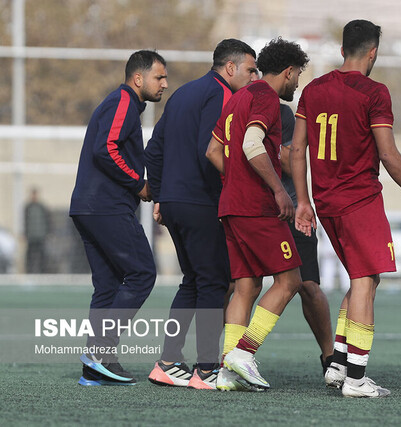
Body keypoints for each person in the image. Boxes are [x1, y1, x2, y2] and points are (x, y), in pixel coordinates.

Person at [291, 20, 401, 398]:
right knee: (365, 283)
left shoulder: (314, 89)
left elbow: (296, 148)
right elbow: (387, 152)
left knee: (360, 278)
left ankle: (338, 363)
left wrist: (303, 200)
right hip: (359, 200)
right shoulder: (374, 92)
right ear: (373, 53)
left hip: (326, 201)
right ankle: (356, 379)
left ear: (342, 51)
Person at [145, 39, 258, 391]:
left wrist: (162, 196)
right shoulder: (223, 96)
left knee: (193, 281)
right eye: (250, 70)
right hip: (200, 202)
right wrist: (232, 192)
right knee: (214, 282)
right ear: (230, 68)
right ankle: (207, 369)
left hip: (176, 203)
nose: (254, 77)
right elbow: (209, 151)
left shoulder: (181, 95)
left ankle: (167, 362)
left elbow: (153, 150)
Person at [206, 37, 309, 390]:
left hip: (231, 206)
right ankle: (244, 353)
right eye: (298, 76)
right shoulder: (265, 96)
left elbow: (213, 150)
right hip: (256, 207)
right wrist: (278, 189)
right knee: (290, 280)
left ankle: (225, 371)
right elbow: (252, 143)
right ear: (289, 71)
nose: (297, 83)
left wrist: (234, 181)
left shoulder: (237, 98)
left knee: (246, 287)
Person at [69, 50, 168, 386]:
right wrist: (137, 183)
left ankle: (95, 368)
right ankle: (100, 351)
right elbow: (106, 148)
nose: (164, 84)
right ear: (138, 78)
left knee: (108, 285)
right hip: (104, 207)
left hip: (88, 206)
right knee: (142, 273)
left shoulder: (125, 104)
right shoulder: (123, 100)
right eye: (159, 77)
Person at [279, 103, 334, 374]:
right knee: (237, 286)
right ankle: (218, 359)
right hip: (251, 214)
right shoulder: (233, 109)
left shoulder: (283, 114)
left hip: (291, 213)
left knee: (309, 286)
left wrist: (264, 148)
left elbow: (292, 164)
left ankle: (330, 357)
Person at [24, 187, 50, 273]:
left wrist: (47, 233)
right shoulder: (27, 207)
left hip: (41, 235)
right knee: (30, 255)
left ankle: (43, 271)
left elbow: (47, 220)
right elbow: (25, 221)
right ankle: (29, 271)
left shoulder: (42, 207)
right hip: (31, 236)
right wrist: (25, 233)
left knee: (42, 255)